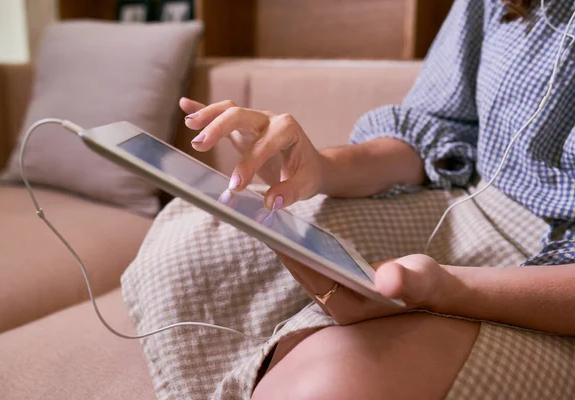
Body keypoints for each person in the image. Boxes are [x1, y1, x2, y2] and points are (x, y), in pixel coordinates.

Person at [179, 0, 575, 398]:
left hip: (557, 284)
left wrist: (446, 290)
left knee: (333, 377)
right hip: (473, 203)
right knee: (202, 234)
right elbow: (438, 127)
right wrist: (320, 169)